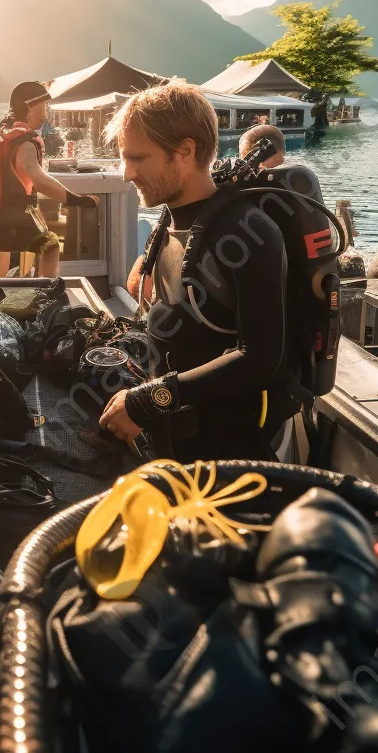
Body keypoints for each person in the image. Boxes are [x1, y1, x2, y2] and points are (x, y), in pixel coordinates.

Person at [99, 79, 296, 464]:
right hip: (172, 429)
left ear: (185, 151)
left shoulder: (247, 232)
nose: (125, 173)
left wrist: (146, 402)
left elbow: (261, 358)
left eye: (137, 158)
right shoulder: (171, 221)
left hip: (223, 455)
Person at [0, 81, 98, 278]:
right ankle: (46, 291)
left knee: (2, 251)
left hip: (0, 214)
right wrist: (74, 199)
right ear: (26, 110)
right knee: (51, 246)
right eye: (39, 111)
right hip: (15, 216)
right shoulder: (26, 145)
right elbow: (39, 179)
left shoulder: (7, 137)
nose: (43, 115)